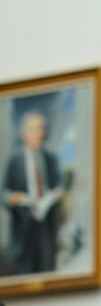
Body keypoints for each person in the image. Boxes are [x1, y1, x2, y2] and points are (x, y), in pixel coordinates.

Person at [2, 112, 63, 274]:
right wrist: (14, 198)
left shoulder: (50, 157)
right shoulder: (14, 160)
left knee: (47, 266)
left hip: (46, 223)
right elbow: (3, 192)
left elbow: (60, 185)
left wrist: (53, 196)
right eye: (35, 130)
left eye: (41, 129)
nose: (40, 134)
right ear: (24, 135)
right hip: (22, 225)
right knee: (24, 270)